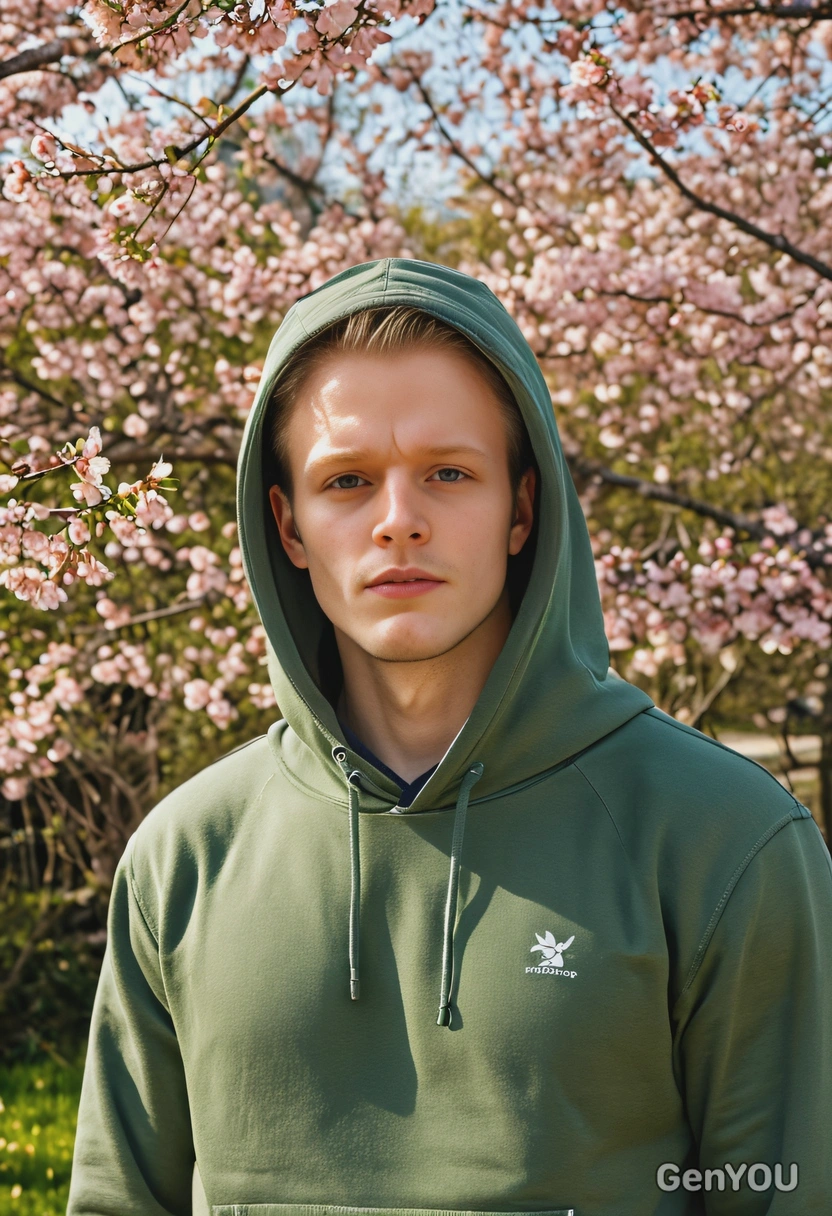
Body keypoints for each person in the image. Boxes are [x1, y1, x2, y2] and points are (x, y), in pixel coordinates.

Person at [67, 257, 832, 1216]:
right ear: (288, 525)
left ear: (521, 506)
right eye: (346, 480)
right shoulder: (183, 859)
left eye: (447, 473)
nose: (398, 523)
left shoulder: (723, 845)